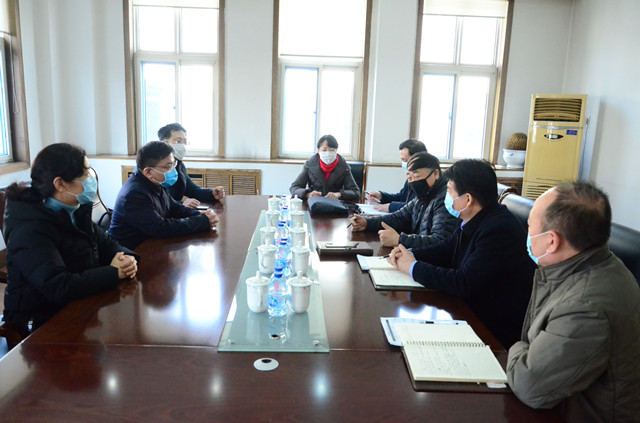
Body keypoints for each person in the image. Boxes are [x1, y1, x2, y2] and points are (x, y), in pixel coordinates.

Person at [507, 181, 640, 423]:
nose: (527, 235)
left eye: (529, 227)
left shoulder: (586, 308)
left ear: (551, 241)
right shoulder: (596, 263)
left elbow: (529, 384)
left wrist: (516, 346)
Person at [388, 159, 535, 348]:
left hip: (492, 329)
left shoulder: (499, 230)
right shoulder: (472, 217)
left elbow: (463, 282)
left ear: (468, 199)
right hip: (468, 309)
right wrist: (411, 254)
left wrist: (413, 267)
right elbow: (448, 249)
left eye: (450, 191)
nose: (447, 197)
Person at [2, 143, 138, 335]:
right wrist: (113, 272)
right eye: (85, 174)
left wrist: (127, 260)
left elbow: (107, 244)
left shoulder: (75, 208)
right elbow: (58, 286)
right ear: (60, 184)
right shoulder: (29, 227)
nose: (91, 179)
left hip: (81, 304)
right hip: (40, 324)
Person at [109, 141, 219, 250]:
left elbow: (173, 208)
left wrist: (199, 214)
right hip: (130, 252)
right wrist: (201, 222)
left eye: (173, 164)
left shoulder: (157, 182)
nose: (173, 170)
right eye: (168, 167)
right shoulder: (134, 194)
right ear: (148, 172)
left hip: (151, 243)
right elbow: (160, 228)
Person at [349, 152, 457, 248]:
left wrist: (399, 240)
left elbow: (440, 241)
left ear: (436, 174)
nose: (413, 181)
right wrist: (367, 223)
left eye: (417, 176)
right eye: (409, 178)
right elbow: (399, 217)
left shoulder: (445, 200)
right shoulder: (423, 196)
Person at [157, 123, 225, 208]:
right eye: (178, 141)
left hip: (175, 211)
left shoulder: (178, 164)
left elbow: (192, 190)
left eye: (185, 142)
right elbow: (157, 201)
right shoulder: (155, 168)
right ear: (165, 143)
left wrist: (212, 193)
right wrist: (182, 204)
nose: (183, 145)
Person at [289, 134, 360, 202]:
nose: (328, 153)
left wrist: (339, 195)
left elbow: (356, 192)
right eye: (324, 150)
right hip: (314, 203)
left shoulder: (344, 167)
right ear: (318, 150)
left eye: (332, 150)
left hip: (335, 204)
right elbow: (294, 188)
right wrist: (308, 194)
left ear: (336, 151)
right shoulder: (309, 165)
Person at [366, 139, 427, 212]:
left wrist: (391, 207)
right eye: (402, 160)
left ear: (418, 159)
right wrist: (382, 196)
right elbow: (401, 197)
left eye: (405, 160)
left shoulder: (426, 180)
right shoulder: (411, 176)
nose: (404, 164)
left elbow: (417, 206)